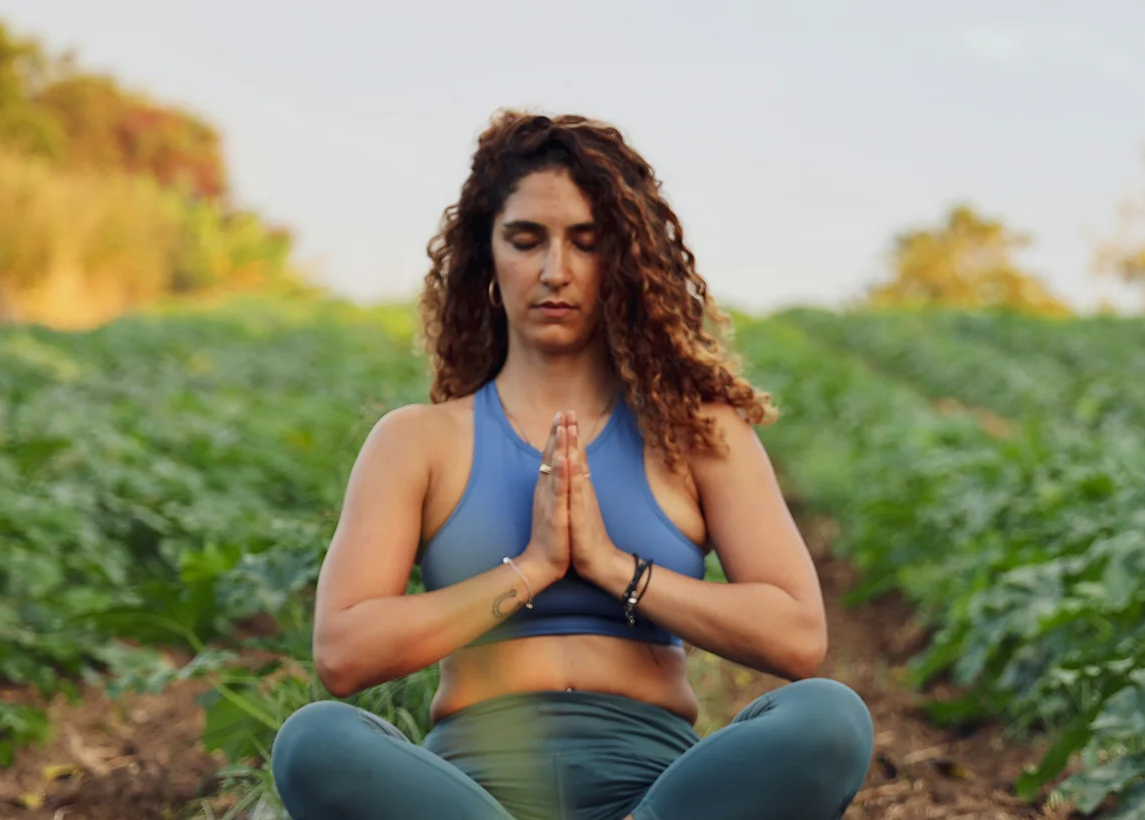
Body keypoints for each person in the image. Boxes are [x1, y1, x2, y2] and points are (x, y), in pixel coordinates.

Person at [268, 111, 874, 820]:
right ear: (485, 255)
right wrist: (532, 568)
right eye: (526, 240)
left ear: (622, 261)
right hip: (469, 798)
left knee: (828, 719)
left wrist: (615, 568)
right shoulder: (416, 441)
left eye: (586, 244)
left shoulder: (700, 433)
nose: (555, 271)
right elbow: (343, 653)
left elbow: (797, 637)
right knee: (314, 740)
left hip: (653, 796)